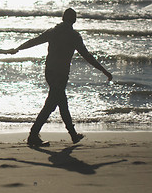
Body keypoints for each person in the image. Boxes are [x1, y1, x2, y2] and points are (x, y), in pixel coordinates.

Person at [14, 8, 113, 146]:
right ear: (74, 19)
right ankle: (33, 135)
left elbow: (34, 41)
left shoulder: (53, 31)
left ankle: (73, 135)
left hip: (49, 72)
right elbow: (87, 56)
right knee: (51, 105)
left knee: (62, 103)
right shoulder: (74, 36)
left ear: (62, 18)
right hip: (60, 74)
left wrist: (18, 48)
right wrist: (103, 70)